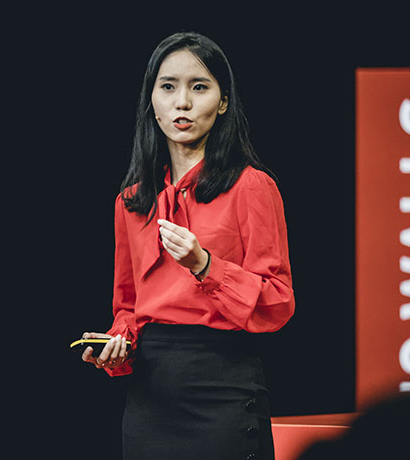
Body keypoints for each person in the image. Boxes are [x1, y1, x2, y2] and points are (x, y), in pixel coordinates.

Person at [81, 31, 295, 460]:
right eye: (168, 87)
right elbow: (128, 308)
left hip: (223, 389)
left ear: (223, 101)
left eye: (199, 87)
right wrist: (116, 347)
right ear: (152, 102)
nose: (182, 102)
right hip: (151, 400)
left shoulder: (251, 186)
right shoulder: (131, 201)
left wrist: (205, 265)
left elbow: (278, 301)